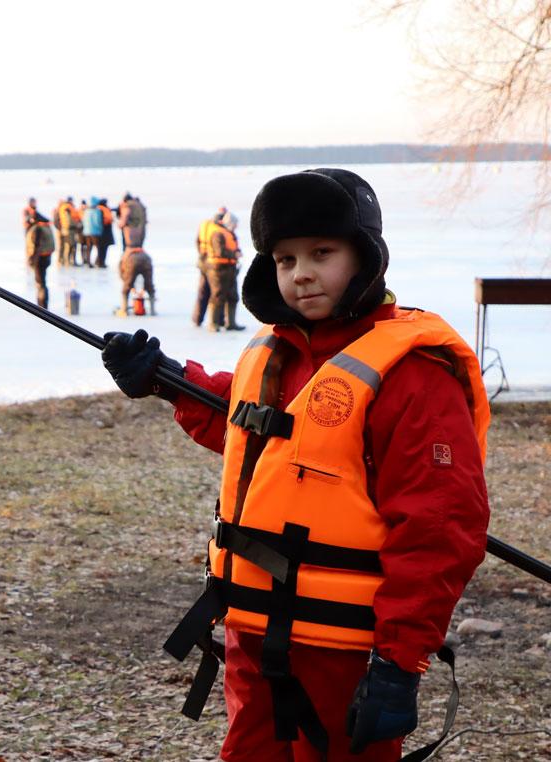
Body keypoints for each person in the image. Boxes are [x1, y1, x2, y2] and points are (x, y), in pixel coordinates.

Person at [100, 168, 490, 761]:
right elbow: (252, 428)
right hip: (251, 630)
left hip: (346, 652)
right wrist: (170, 382)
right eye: (284, 259)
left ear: (365, 255)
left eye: (321, 253)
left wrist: (399, 660)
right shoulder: (276, 352)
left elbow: (441, 528)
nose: (301, 273)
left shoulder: (412, 375)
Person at [202, 209, 246, 332]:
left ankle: (231, 323)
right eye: (235, 224)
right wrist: (234, 255)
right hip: (218, 270)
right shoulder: (218, 234)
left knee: (233, 296)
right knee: (218, 295)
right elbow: (219, 251)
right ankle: (213, 323)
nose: (236, 226)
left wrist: (236, 253)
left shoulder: (229, 233)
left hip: (230, 268)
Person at [194, 206, 227, 327]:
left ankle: (197, 319)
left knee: (203, 291)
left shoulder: (205, 225)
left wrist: (202, 254)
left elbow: (197, 241)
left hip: (203, 261)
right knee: (217, 292)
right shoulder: (219, 229)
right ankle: (218, 320)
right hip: (213, 264)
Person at [25, 212, 55, 308]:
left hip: (40, 258)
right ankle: (42, 303)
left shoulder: (38, 228)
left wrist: (32, 259)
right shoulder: (46, 226)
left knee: (40, 282)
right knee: (42, 282)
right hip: (46, 257)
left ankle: (42, 305)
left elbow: (36, 245)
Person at [117, 245, 155, 316]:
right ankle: (153, 311)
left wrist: (130, 287)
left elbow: (123, 276)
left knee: (125, 290)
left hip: (131, 260)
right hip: (146, 259)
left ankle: (124, 310)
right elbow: (149, 278)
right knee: (150, 287)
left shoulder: (123, 259)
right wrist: (144, 289)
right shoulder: (145, 255)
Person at [81, 197, 104, 268]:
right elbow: (98, 222)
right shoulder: (97, 211)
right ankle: (99, 262)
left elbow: (83, 221)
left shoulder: (86, 211)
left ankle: (88, 262)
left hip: (87, 232)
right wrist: (101, 229)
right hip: (95, 232)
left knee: (89, 248)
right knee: (98, 247)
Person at [57, 196, 78, 267]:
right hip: (69, 229)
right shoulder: (67, 208)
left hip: (65, 229)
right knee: (70, 245)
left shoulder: (64, 208)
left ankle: (65, 260)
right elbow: (68, 220)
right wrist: (76, 225)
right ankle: (68, 260)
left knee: (67, 245)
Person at [97, 198, 115, 267]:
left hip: (101, 232)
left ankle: (100, 261)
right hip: (104, 232)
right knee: (103, 248)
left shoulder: (99, 209)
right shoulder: (102, 210)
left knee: (101, 248)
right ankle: (101, 262)